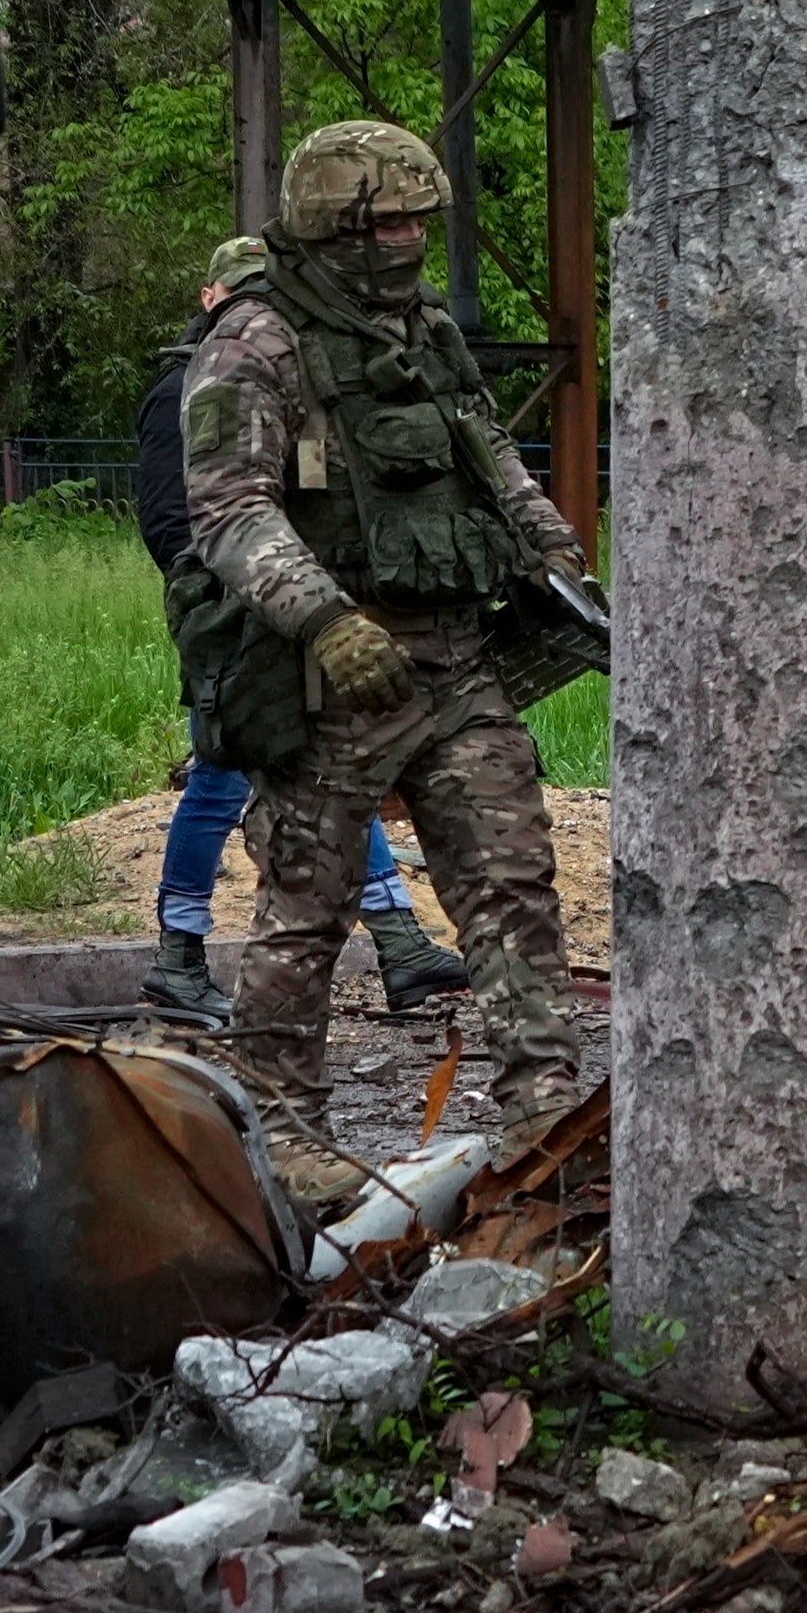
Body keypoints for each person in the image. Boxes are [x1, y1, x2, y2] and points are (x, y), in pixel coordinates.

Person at [178, 125, 586, 1172]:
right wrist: (324, 619)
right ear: (334, 226)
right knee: (303, 915)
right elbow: (228, 513)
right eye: (388, 223)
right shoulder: (256, 342)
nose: (409, 241)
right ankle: (286, 1137)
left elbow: (488, 455)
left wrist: (553, 556)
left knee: (513, 890)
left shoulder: (425, 331)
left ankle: (545, 1115)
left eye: (420, 221)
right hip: (332, 680)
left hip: (458, 661)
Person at [137, 234, 464, 1028]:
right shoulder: (181, 386)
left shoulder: (282, 376)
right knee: (221, 777)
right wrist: (229, 599)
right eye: (244, 295)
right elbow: (173, 518)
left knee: (337, 761)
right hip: (232, 619)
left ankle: (398, 942)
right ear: (213, 296)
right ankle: (179, 959)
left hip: (293, 609)